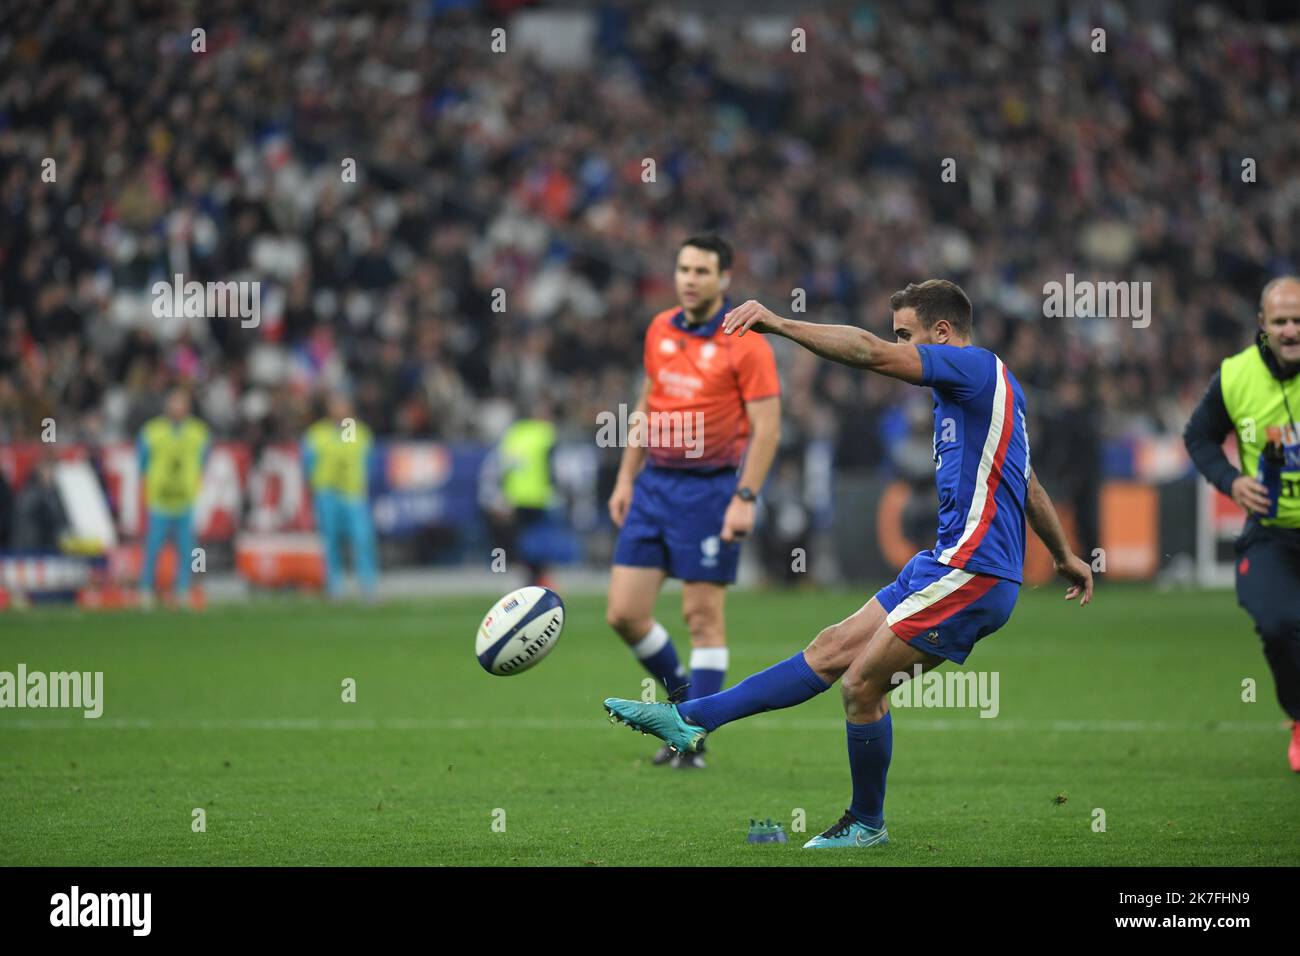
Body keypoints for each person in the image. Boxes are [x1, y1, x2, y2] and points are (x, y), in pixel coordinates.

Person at [605, 279, 1094, 846]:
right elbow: (1028, 484)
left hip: (973, 571)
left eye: (907, 335)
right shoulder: (978, 398)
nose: (901, 346)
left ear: (941, 333)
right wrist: (1064, 555)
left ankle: (866, 822)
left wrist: (782, 325)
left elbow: (869, 353)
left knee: (861, 686)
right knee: (831, 647)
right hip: (943, 563)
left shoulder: (976, 369)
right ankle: (694, 718)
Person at [606, 234, 782, 769]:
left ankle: (692, 732)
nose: (689, 278)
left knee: (701, 616)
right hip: (655, 486)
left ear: (725, 279)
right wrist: (625, 477)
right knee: (624, 614)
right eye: (683, 268)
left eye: (702, 271)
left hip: (710, 490)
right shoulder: (659, 328)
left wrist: (744, 497)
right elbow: (646, 402)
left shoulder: (747, 342)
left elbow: (768, 428)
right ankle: (686, 712)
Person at [1183, 276, 1300, 772]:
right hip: (1270, 534)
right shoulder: (1235, 377)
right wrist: (1231, 481)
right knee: (1277, 625)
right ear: (1262, 326)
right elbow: (1199, 438)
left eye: (1299, 320)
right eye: (1281, 321)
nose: (1292, 329)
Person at [138, 388, 210, 608]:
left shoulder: (199, 432)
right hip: (159, 500)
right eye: (174, 403)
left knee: (188, 549)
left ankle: (182, 590)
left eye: (182, 403)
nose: (178, 408)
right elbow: (142, 463)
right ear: (167, 406)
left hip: (185, 500)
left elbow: (203, 461)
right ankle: (146, 590)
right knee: (153, 547)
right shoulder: (151, 432)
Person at [303, 393, 378, 600]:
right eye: (335, 405)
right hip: (327, 493)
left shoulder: (358, 432)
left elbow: (362, 460)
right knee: (331, 542)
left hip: (353, 493)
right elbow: (308, 463)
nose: (339, 410)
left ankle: (367, 586)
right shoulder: (317, 434)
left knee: (362, 539)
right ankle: (335, 588)